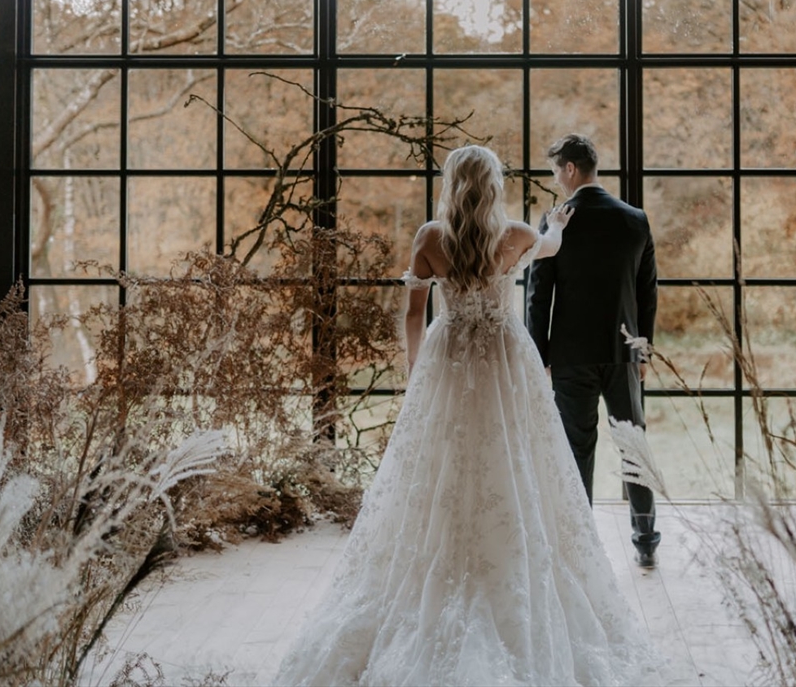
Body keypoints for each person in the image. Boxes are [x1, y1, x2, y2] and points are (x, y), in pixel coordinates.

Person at [274, 145, 660, 685]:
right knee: (518, 456)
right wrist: (556, 223)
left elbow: (412, 312)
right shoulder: (517, 234)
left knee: (441, 464)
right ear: (495, 184)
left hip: (449, 357)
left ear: (452, 183)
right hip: (506, 357)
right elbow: (550, 246)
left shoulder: (431, 237)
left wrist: (416, 372)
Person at [527, 133, 661, 568]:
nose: (556, 181)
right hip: (624, 353)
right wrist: (643, 350)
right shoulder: (634, 219)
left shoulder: (556, 221)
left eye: (555, 171)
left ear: (569, 169)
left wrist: (539, 353)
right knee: (633, 444)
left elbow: (537, 293)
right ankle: (645, 540)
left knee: (576, 447)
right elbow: (647, 292)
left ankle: (580, 543)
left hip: (571, 355)